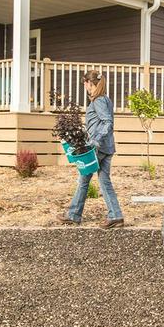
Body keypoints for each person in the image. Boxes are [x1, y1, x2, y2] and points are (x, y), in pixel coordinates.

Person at [58, 70, 124, 228]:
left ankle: (74, 215)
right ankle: (116, 215)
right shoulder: (105, 99)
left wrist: (95, 140)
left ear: (90, 83)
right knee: (104, 181)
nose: (84, 85)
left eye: (85, 82)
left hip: (98, 148)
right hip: (107, 147)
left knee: (83, 180)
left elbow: (107, 122)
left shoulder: (99, 101)